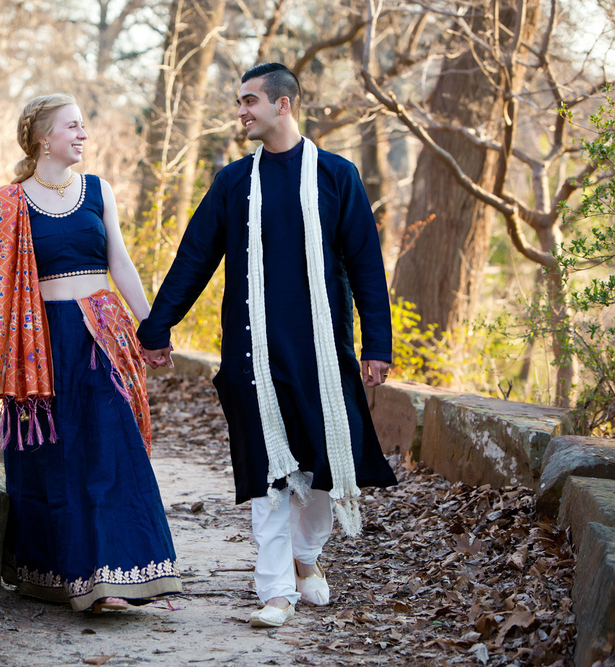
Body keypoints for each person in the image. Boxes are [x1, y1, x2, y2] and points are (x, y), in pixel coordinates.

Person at [136, 63, 397, 628]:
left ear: (283, 104)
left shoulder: (336, 176)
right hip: (252, 355)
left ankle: (306, 555)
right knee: (268, 472)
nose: (241, 112)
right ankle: (275, 591)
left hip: (321, 354)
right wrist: (157, 327)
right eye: (239, 102)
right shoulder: (234, 182)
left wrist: (377, 343)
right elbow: (194, 258)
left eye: (250, 100)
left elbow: (366, 265)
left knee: (323, 468)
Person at [0, 93, 183, 614]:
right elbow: (1, 291)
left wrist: (152, 327)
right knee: (52, 457)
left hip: (101, 335)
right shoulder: (10, 203)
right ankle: (62, 575)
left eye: (83, 125)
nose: (83, 134)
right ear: (43, 138)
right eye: (73, 126)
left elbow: (121, 263)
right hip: (39, 344)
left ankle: (114, 574)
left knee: (112, 448)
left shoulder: (97, 190)